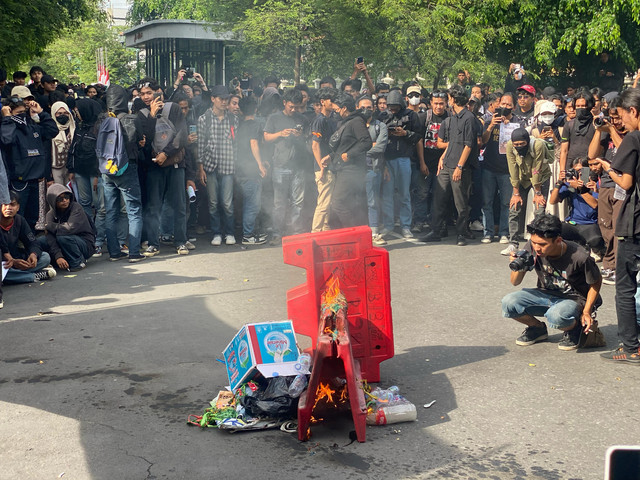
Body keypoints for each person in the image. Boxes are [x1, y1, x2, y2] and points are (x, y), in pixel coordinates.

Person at [501, 213, 602, 351]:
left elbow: (596, 281)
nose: (536, 248)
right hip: (546, 294)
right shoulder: (533, 247)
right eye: (534, 242)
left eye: (542, 244)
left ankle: (575, 328)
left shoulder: (579, 256)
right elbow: (515, 282)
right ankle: (537, 329)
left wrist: (587, 311)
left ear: (558, 240)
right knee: (509, 303)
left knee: (556, 316)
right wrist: (519, 265)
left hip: (574, 299)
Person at [597, 88, 640, 363]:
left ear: (633, 111)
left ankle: (631, 347)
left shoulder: (634, 139)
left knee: (625, 287)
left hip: (634, 223)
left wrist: (608, 167)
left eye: (622, 116)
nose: (620, 122)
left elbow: (625, 183)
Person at [421, 86, 481, 246]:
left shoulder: (469, 118)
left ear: (453, 100)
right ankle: (435, 230)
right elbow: (452, 144)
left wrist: (460, 167)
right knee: (438, 199)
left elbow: (468, 145)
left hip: (460, 168)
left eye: (448, 98)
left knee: (460, 203)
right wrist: (443, 157)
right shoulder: (453, 118)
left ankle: (461, 233)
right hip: (447, 164)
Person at [0, 94, 58, 231]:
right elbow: (6, 140)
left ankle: (29, 244)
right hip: (19, 182)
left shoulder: (32, 127)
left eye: (23, 112)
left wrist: (41, 113)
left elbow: (52, 131)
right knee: (17, 216)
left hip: (35, 179)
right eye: (18, 113)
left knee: (32, 217)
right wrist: (7, 118)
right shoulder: (8, 128)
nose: (22, 116)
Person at [588, 95, 628, 284]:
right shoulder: (606, 131)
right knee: (605, 226)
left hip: (623, 183)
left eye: (618, 117)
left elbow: (624, 151)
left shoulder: (630, 132)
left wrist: (612, 130)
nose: (616, 121)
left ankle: (617, 267)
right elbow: (592, 154)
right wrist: (599, 130)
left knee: (619, 227)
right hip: (606, 183)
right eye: (612, 117)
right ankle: (609, 264)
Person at [263, 88, 308, 244]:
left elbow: (307, 140)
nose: (293, 109)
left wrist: (299, 136)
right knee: (279, 203)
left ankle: (296, 232)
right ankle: (277, 232)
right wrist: (280, 134)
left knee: (298, 202)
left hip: (299, 166)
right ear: (284, 103)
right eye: (291, 106)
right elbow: (266, 137)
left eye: (296, 106)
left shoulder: (302, 119)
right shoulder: (274, 118)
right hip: (280, 165)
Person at [197, 85, 238, 246]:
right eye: (221, 99)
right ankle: (216, 232)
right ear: (213, 99)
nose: (224, 102)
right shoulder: (204, 119)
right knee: (213, 202)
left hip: (228, 165)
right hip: (210, 166)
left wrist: (237, 165)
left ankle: (229, 232)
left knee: (227, 203)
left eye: (226, 99)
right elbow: (200, 145)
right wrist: (200, 168)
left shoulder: (233, 118)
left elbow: (236, 144)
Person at [380, 89, 422, 239]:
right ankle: (388, 225)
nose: (392, 109)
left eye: (395, 107)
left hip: (404, 159)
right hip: (387, 159)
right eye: (390, 106)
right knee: (387, 194)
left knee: (405, 194)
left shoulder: (411, 116)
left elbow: (418, 136)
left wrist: (405, 134)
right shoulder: (382, 116)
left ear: (401, 104)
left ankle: (406, 226)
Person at [480, 92, 521, 244]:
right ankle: (488, 232)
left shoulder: (518, 123)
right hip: (489, 167)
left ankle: (504, 232)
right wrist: (490, 126)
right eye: (502, 104)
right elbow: (482, 142)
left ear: (514, 107)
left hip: (508, 170)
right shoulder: (489, 120)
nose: (505, 107)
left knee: (506, 203)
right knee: (487, 202)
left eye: (508, 105)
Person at [503, 128, 552, 254]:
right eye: (516, 145)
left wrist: (538, 192)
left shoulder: (538, 145)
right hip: (521, 177)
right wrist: (516, 193)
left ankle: (538, 242)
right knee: (514, 208)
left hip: (540, 177)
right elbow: (512, 168)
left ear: (527, 141)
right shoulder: (509, 146)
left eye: (522, 144)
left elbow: (537, 168)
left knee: (539, 210)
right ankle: (513, 243)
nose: (519, 147)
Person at [328, 94, 373, 229]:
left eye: (336, 110)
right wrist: (330, 157)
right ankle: (355, 234)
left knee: (338, 202)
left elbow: (366, 142)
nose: (335, 113)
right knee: (349, 204)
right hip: (344, 169)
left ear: (344, 108)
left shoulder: (356, 121)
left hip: (352, 170)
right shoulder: (347, 122)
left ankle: (354, 233)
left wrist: (350, 154)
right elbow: (344, 145)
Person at [549, 158, 604, 257]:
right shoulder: (570, 185)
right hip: (573, 222)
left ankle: (592, 249)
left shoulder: (595, 184)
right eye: (576, 171)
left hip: (590, 223)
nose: (579, 174)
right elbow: (552, 201)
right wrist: (559, 183)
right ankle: (576, 246)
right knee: (553, 232)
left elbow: (595, 205)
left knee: (595, 240)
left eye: (581, 170)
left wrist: (580, 189)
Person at [0, 191, 56, 284]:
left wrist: (33, 254)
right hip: (4, 262)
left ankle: (18, 275)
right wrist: (12, 261)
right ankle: (32, 276)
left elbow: (32, 241)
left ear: (18, 207)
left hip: (17, 258)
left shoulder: (19, 220)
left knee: (45, 257)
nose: (8, 208)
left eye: (12, 205)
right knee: (3, 273)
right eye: (5, 205)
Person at [40, 184, 95, 271]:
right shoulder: (50, 214)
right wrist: (58, 256)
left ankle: (78, 262)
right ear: (53, 201)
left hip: (85, 243)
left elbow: (69, 228)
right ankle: (57, 262)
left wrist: (51, 226)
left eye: (66, 197)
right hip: (65, 242)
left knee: (63, 237)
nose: (65, 200)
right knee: (41, 240)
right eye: (60, 199)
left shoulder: (76, 208)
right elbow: (49, 236)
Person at [236, 96, 267, 245]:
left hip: (239, 168)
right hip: (250, 169)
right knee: (252, 204)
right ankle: (248, 235)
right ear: (255, 109)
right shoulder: (255, 125)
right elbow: (254, 144)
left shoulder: (238, 124)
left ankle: (250, 233)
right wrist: (260, 164)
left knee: (247, 202)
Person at [359, 96, 388, 245]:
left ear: (374, 108)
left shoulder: (380, 126)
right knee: (356, 201)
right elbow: (348, 146)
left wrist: (361, 150)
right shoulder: (355, 125)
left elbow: (381, 147)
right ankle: (358, 232)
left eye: (369, 107)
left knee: (372, 202)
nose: (366, 110)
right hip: (355, 170)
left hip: (373, 169)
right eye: (363, 107)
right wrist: (371, 145)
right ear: (357, 108)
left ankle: (374, 232)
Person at [310, 87, 338, 232]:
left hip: (331, 166)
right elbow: (315, 145)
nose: (334, 104)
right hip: (323, 167)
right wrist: (321, 167)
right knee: (323, 203)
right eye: (331, 101)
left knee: (328, 202)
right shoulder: (319, 121)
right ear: (322, 102)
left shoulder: (332, 119)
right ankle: (315, 232)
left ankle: (325, 230)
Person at [50, 101, 75, 185]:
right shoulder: (50, 128)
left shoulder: (73, 127)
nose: (63, 115)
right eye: (59, 113)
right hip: (55, 167)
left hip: (70, 167)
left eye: (65, 113)